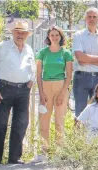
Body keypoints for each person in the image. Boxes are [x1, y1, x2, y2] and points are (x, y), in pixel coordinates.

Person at [0, 21, 35, 166]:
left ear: (27, 35)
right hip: (4, 88)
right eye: (18, 31)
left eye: (23, 32)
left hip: (23, 90)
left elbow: (33, 67)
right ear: (13, 33)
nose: (20, 35)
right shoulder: (2, 47)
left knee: (21, 123)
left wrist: (31, 80)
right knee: (1, 124)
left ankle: (14, 158)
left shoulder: (29, 49)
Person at [33, 26, 73, 163]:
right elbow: (38, 74)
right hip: (45, 86)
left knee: (59, 121)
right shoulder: (43, 53)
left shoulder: (66, 53)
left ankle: (59, 152)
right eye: (52, 35)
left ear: (61, 37)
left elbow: (69, 75)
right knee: (44, 120)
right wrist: (41, 92)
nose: (54, 37)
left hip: (61, 86)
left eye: (57, 35)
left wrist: (63, 92)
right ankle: (44, 151)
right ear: (48, 37)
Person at [72, 7, 98, 118]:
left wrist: (87, 59)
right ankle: (79, 135)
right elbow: (79, 57)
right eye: (89, 17)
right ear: (85, 19)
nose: (92, 19)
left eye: (94, 17)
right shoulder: (78, 35)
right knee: (80, 112)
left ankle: (95, 135)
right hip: (81, 78)